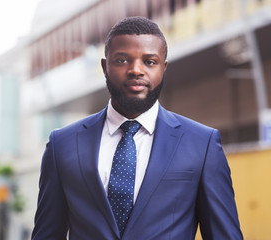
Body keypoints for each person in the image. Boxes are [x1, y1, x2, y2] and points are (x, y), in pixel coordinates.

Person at [31, 16, 243, 240]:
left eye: (149, 61)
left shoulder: (202, 143)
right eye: (122, 60)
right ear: (105, 66)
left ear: (164, 67)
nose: (136, 70)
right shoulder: (62, 144)